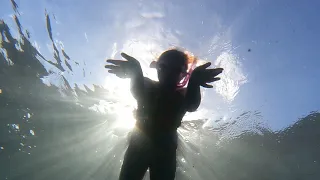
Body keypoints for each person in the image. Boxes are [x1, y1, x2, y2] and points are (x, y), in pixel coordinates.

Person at [105, 49, 223, 180]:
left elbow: (191, 105)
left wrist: (194, 82)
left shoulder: (183, 94)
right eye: (163, 67)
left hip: (163, 148)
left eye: (176, 69)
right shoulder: (147, 84)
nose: (168, 73)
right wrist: (136, 73)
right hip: (142, 144)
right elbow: (137, 92)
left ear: (184, 75)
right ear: (156, 67)